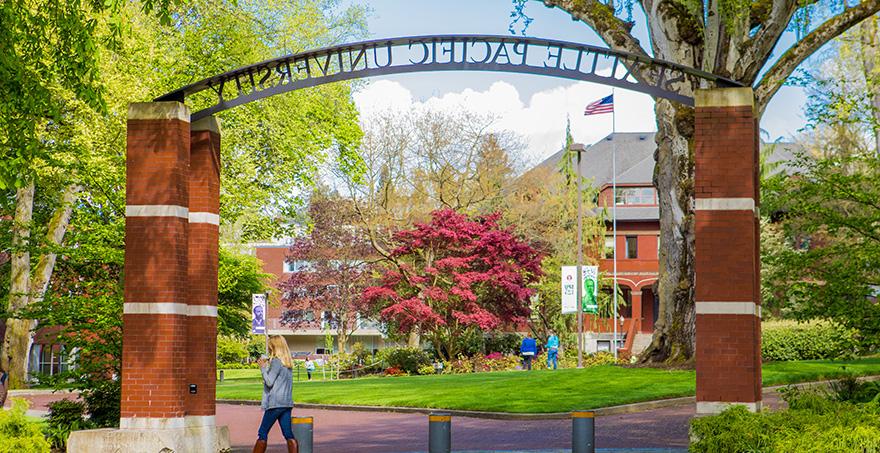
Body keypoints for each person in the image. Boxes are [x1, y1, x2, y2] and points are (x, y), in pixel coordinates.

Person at [253, 335, 297, 453]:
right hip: (286, 403)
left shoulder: (277, 361)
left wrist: (262, 368)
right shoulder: (287, 363)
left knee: (262, 433)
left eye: (270, 346)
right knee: (288, 434)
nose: (269, 349)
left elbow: (269, 382)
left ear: (274, 347)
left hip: (275, 403)